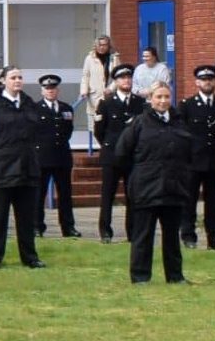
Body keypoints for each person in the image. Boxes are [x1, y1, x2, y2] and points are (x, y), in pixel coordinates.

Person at [113, 84, 193, 284]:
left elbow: (188, 153)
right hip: (146, 188)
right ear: (150, 98)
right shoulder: (139, 123)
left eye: (167, 96)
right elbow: (122, 154)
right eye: (159, 97)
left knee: (172, 237)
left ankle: (175, 276)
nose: (163, 101)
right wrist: (138, 176)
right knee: (143, 235)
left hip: (173, 188)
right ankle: (140, 276)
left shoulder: (179, 123)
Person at [0, 67, 46, 270]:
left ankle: (30, 257)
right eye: (13, 77)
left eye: (20, 77)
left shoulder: (29, 104)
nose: (17, 81)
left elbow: (37, 131)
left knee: (26, 218)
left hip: (27, 169)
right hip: (2, 170)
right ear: (3, 81)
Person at [180, 65, 215, 250]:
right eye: (204, 80)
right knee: (189, 200)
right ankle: (188, 236)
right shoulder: (187, 106)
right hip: (193, 160)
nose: (207, 82)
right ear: (197, 82)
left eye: (210, 79)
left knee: (213, 201)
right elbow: (181, 131)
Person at [92, 65, 144, 242]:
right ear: (116, 81)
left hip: (133, 157)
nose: (126, 81)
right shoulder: (106, 104)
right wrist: (109, 147)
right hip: (112, 156)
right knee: (108, 195)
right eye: (122, 78)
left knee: (134, 196)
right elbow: (99, 131)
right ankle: (105, 231)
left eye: (129, 77)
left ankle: (133, 231)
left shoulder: (139, 103)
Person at [33, 75, 81, 238]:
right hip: (42, 158)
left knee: (65, 195)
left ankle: (68, 227)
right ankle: (37, 226)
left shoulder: (66, 108)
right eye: (47, 88)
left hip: (61, 157)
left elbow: (67, 131)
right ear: (42, 90)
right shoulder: (35, 109)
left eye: (53, 88)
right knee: (39, 194)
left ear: (57, 90)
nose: (50, 91)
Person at [80, 35, 116, 103]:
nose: (101, 47)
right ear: (95, 46)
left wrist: (111, 88)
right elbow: (85, 76)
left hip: (110, 95)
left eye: (104, 45)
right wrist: (84, 91)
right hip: (94, 95)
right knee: (95, 112)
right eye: (99, 45)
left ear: (109, 46)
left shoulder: (114, 58)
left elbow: (118, 77)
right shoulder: (89, 58)